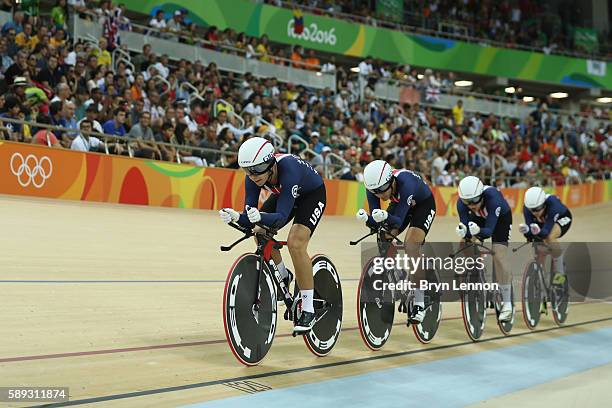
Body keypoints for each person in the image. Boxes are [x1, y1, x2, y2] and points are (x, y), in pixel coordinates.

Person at [219, 137, 326, 334]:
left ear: (270, 163)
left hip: (312, 195)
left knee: (296, 243)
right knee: (260, 234)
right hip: (286, 194)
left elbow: (281, 217)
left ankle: (309, 309)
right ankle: (283, 275)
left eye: (258, 168)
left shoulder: (289, 169)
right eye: (248, 170)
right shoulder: (252, 178)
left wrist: (258, 216)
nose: (253, 175)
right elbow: (250, 220)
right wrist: (236, 216)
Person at [356, 160, 437, 323]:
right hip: (400, 204)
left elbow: (398, 221)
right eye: (374, 192)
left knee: (411, 245)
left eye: (381, 190)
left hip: (423, 205)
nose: (379, 195)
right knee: (384, 234)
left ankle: (420, 303)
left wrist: (384, 216)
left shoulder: (406, 183)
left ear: (391, 182)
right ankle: (395, 273)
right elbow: (377, 220)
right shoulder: (374, 186)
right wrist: (368, 220)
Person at [455, 176, 513, 322]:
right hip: (479, 219)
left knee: (499, 255)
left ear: (481, 195)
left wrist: (477, 231)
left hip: (499, 221)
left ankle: (507, 303)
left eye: (474, 200)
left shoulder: (493, 198)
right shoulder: (462, 204)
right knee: (464, 243)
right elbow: (467, 228)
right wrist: (465, 233)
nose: (471, 205)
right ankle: (475, 272)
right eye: (467, 202)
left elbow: (488, 231)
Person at [519, 186, 572, 286]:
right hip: (544, 222)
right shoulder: (527, 208)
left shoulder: (553, 204)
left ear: (543, 204)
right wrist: (527, 232)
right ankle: (542, 277)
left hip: (562, 218)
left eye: (537, 209)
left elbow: (545, 232)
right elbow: (531, 234)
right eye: (532, 210)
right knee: (537, 247)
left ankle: (560, 273)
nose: (535, 213)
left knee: (550, 237)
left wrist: (536, 232)